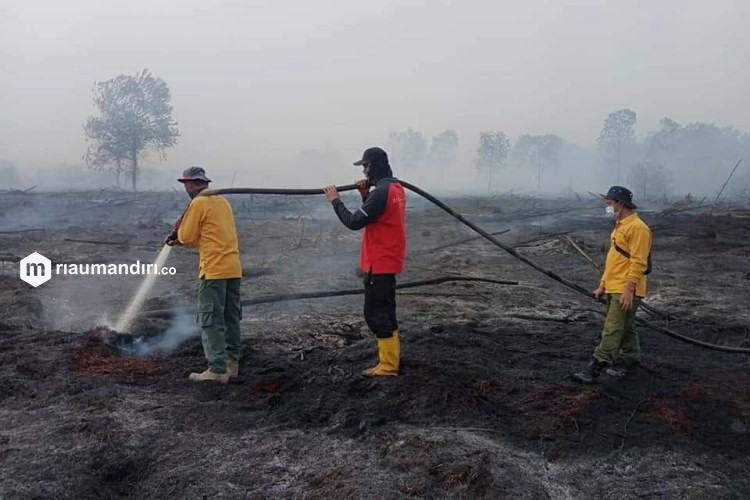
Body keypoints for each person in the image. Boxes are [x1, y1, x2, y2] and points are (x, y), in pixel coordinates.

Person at [323, 147, 406, 377]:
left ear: (373, 166)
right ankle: (389, 361)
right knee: (385, 313)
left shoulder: (383, 191)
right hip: (388, 259)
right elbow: (380, 214)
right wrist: (364, 196)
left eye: (365, 166)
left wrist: (335, 201)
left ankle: (389, 366)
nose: (364, 171)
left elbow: (354, 222)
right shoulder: (395, 188)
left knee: (377, 315)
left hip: (379, 262)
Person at [165, 166, 243, 384]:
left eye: (186, 184)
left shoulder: (199, 203)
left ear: (191, 184)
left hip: (214, 270)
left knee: (211, 319)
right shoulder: (222, 201)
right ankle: (232, 364)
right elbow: (213, 236)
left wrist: (177, 235)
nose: (185, 188)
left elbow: (188, 236)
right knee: (231, 317)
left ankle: (217, 369)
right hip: (233, 268)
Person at [573, 186, 652, 384]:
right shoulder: (620, 225)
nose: (608, 205)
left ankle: (596, 366)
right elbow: (614, 260)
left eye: (610, 202)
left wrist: (629, 290)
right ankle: (630, 360)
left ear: (620, 203)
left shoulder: (639, 228)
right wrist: (602, 286)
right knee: (625, 326)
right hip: (614, 286)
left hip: (626, 288)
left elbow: (639, 262)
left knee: (613, 328)